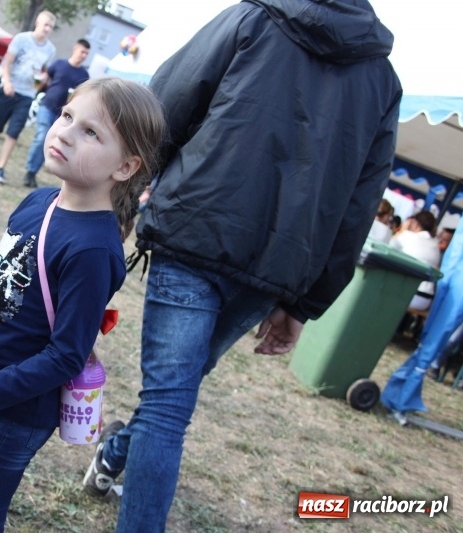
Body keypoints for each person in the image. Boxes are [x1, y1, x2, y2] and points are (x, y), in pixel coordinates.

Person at [80, 2, 402, 531]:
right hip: (248, 253)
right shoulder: (376, 78)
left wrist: (304, 303)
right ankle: (115, 455)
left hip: (203, 235)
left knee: (167, 403)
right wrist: (302, 301)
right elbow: (359, 207)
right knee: (171, 397)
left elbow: (164, 105)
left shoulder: (258, 21)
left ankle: (117, 455)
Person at [0, 78, 166, 532]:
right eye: (69, 116)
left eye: (92, 133)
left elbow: (65, 355)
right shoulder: (38, 201)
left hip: (13, 409)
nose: (67, 133)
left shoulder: (94, 249)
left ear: (126, 166)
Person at [0, 10, 56, 184]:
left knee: (14, 132)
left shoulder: (51, 49)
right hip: (10, 88)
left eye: (51, 26)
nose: (48, 29)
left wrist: (43, 79)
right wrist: (6, 82)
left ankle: (1, 167)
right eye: (46, 25)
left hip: (28, 94)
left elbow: (44, 71)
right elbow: (7, 61)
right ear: (37, 22)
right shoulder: (22, 38)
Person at [22, 39, 91, 188]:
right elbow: (44, 80)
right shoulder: (59, 64)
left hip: (65, 116)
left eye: (87, 53)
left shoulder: (84, 74)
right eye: (82, 52)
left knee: (52, 141)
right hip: (47, 106)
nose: (84, 55)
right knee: (42, 137)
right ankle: (30, 171)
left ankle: (33, 172)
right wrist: (35, 91)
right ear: (75, 49)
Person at [390, 211, 440, 311]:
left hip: (408, 293)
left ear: (415, 223)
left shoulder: (407, 236)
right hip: (426, 298)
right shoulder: (435, 245)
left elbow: (388, 247)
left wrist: (402, 230)